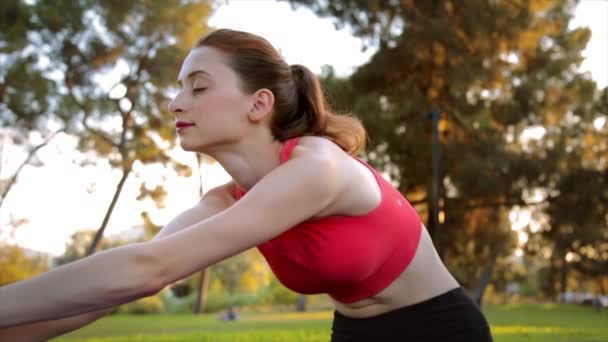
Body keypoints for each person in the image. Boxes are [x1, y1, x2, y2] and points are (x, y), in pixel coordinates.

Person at [0, 29, 493, 341]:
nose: (176, 102)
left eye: (197, 87)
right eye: (177, 88)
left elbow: (148, 268)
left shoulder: (316, 167)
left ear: (258, 105)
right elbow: (115, 286)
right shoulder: (225, 201)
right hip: (355, 334)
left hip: (439, 329)